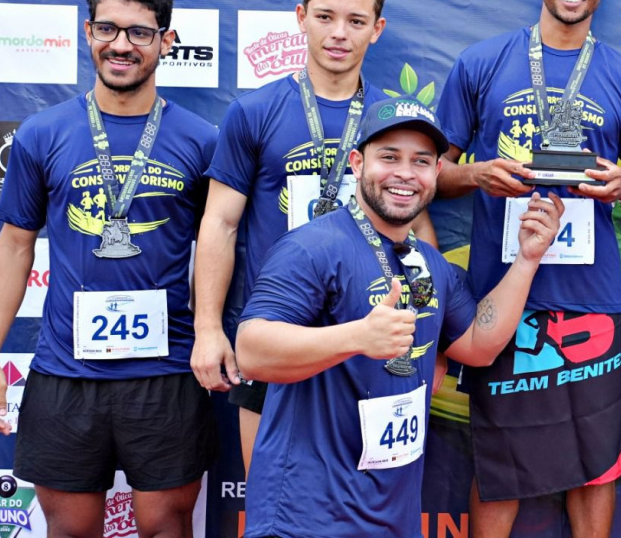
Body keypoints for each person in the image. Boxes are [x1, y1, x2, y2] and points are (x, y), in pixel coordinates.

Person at [236, 100, 563, 538]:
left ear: (435, 174)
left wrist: (527, 260)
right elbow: (252, 351)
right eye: (389, 157)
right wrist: (356, 337)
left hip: (392, 515)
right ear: (357, 163)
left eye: (422, 162)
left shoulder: (425, 263)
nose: (405, 173)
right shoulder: (312, 247)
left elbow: (478, 346)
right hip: (308, 515)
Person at [435, 0, 621, 537]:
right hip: (502, 299)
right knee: (501, 463)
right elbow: (433, 174)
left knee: (597, 464)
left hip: (589, 300)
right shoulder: (481, 65)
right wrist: (479, 173)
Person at [0, 0, 218, 537]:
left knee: (167, 527)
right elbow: (14, 245)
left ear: (166, 42)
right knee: (71, 531)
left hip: (169, 370)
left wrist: (211, 330)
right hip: (66, 372)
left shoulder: (203, 140)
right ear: (87, 32)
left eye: (140, 32)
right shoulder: (42, 133)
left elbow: (219, 243)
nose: (122, 44)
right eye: (108, 28)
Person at [190, 0, 435, 475]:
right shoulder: (254, 112)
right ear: (301, 16)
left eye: (356, 21)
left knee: (366, 501)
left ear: (378, 29)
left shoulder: (394, 118)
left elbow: (413, 226)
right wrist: (208, 328)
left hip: (371, 336)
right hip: (277, 337)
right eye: (325, 17)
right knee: (273, 501)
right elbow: (219, 223)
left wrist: (425, 325)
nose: (339, 34)